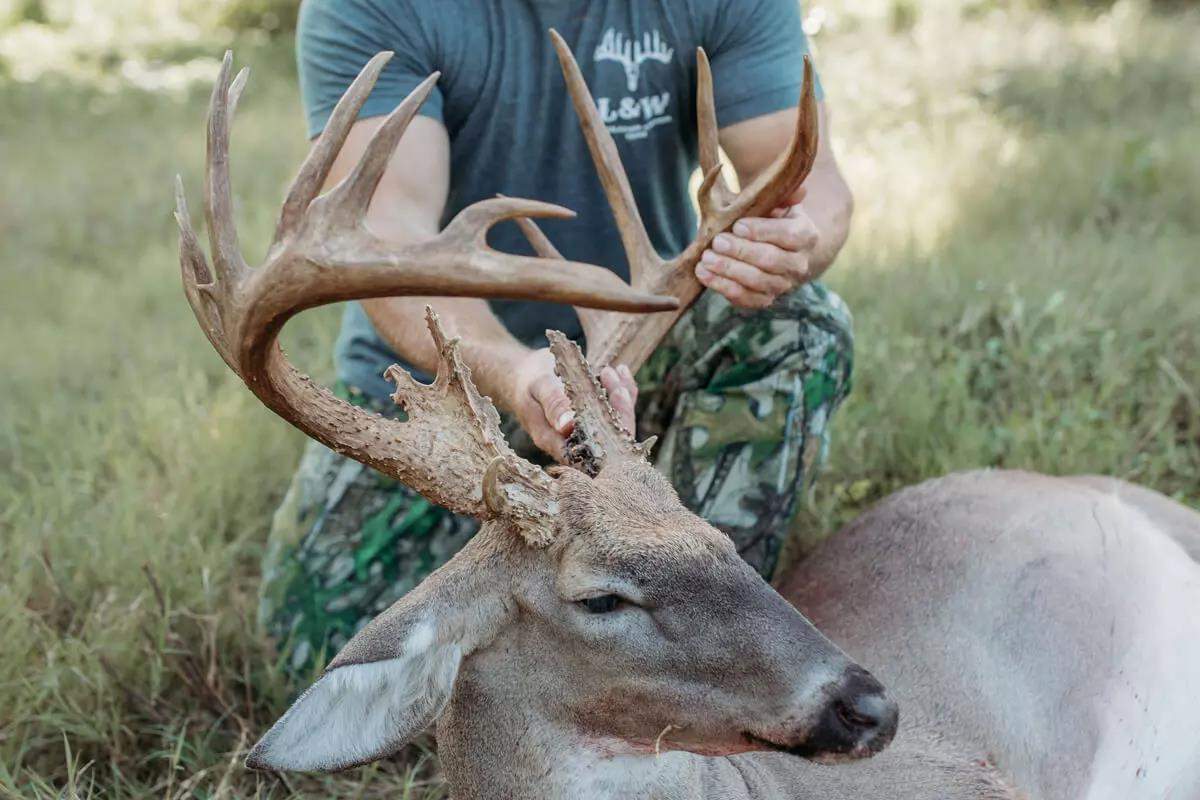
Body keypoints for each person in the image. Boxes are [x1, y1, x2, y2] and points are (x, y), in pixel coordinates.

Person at [261, 0, 855, 673]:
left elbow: (813, 187)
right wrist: (515, 372)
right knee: (310, 650)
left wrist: (793, 243)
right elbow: (386, 237)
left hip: (641, 359)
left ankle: (697, 652)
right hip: (437, 395)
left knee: (799, 326)